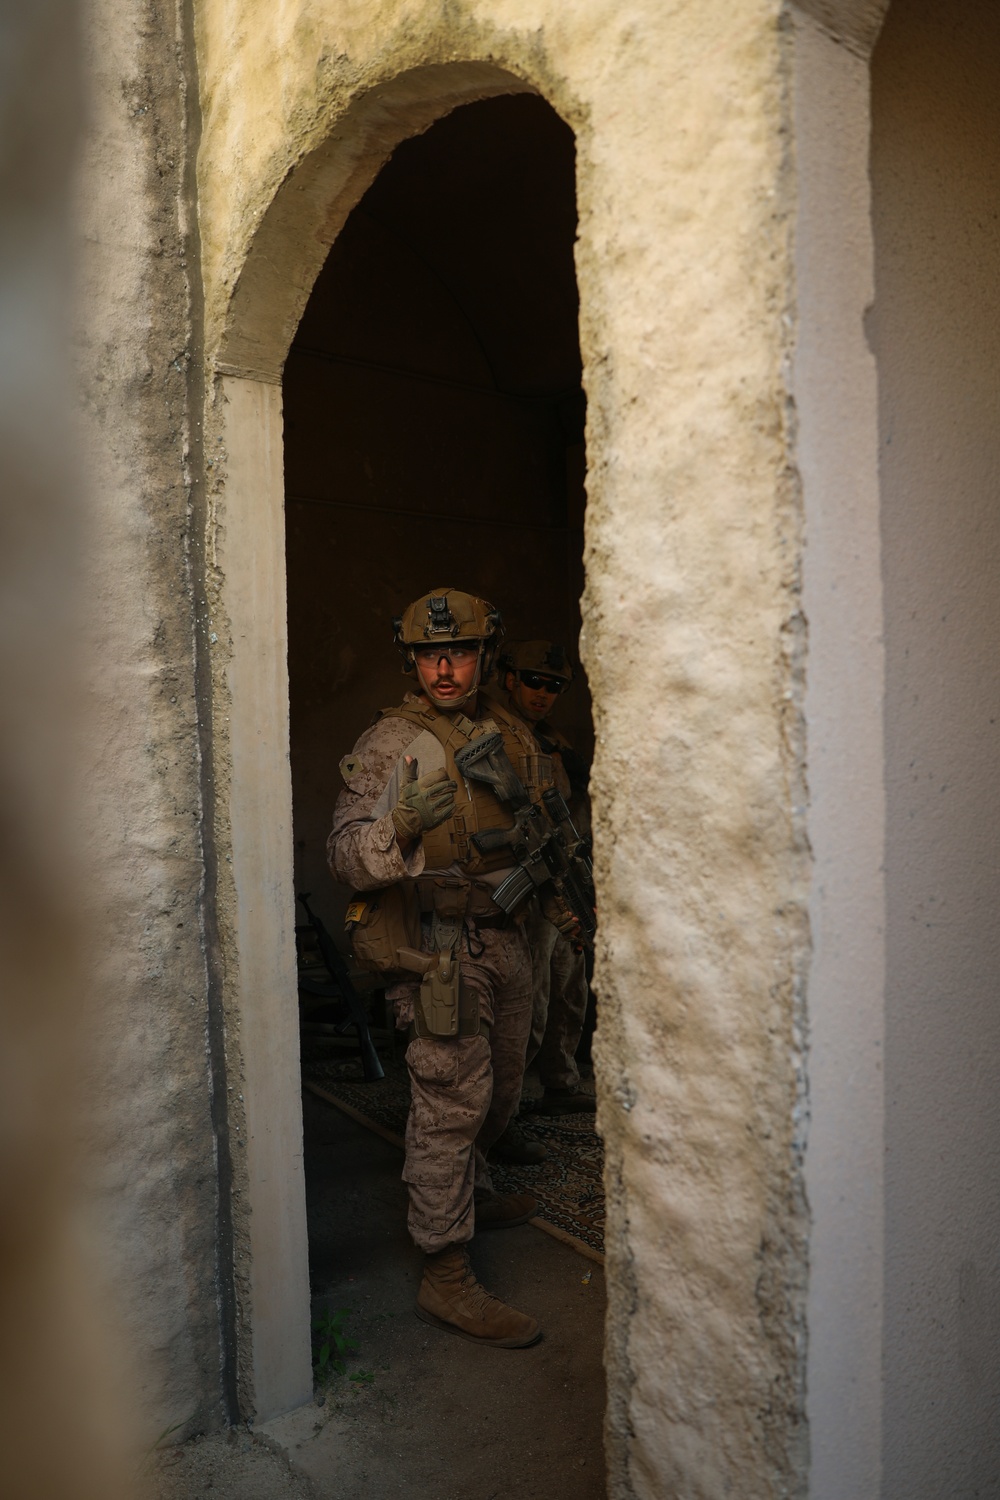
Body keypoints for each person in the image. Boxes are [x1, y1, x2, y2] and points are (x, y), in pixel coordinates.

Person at [327, 589, 575, 1349]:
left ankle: (474, 1185)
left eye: (460, 652)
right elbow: (344, 855)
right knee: (448, 1102)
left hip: (509, 935)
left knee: (502, 1086)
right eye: (431, 654)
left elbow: (539, 830)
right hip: (438, 946)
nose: (444, 666)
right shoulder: (389, 743)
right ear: (411, 659)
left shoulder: (512, 736)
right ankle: (446, 1270)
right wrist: (399, 825)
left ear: (483, 659)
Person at [486, 641, 595, 1167]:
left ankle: (559, 1081)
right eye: (532, 680)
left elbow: (576, 811)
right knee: (528, 1005)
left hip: (563, 876)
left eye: (554, 686)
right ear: (508, 677)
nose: (542, 693)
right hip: (523, 885)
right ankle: (497, 1124)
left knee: (568, 984)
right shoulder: (488, 733)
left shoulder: (552, 741)